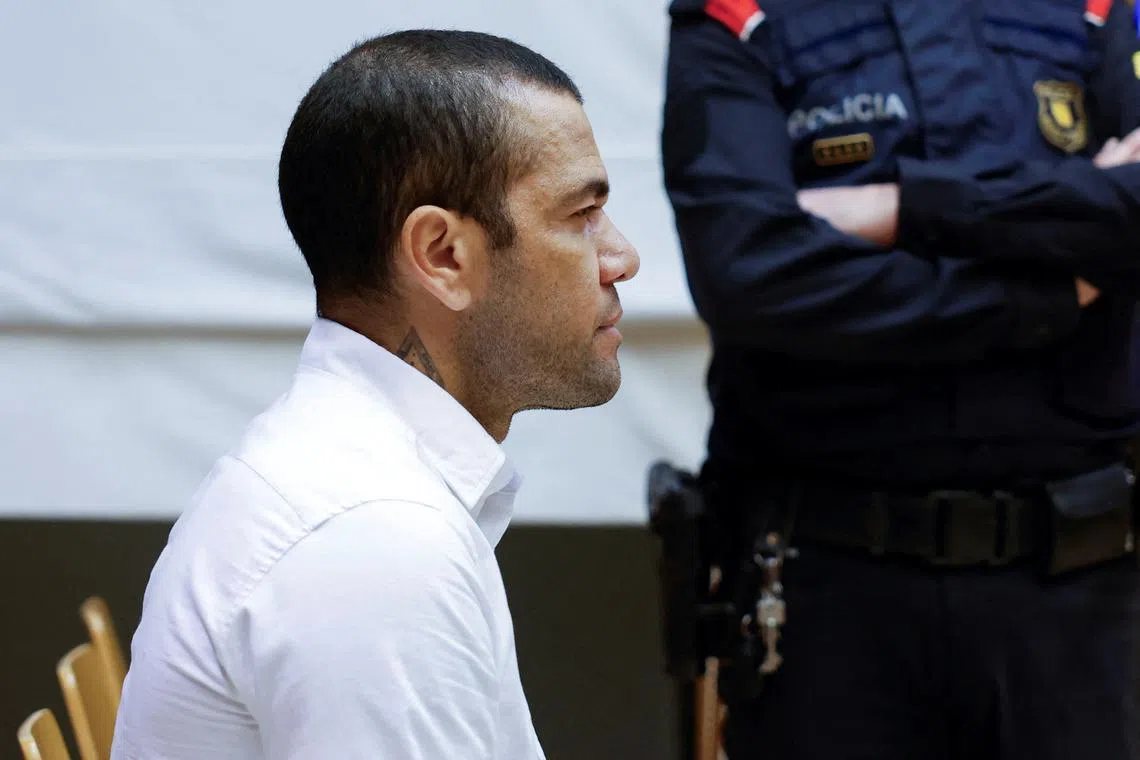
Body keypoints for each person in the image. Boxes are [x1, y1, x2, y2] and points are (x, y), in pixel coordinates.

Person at [111, 29, 639, 760]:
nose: (622, 257)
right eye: (581, 216)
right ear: (442, 255)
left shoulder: (355, 485)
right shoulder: (373, 540)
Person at [661, 0, 1140, 758]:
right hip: (829, 592)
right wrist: (1046, 290)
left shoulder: (1100, 8)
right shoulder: (741, 15)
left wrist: (903, 206)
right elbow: (746, 270)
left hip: (1077, 594)